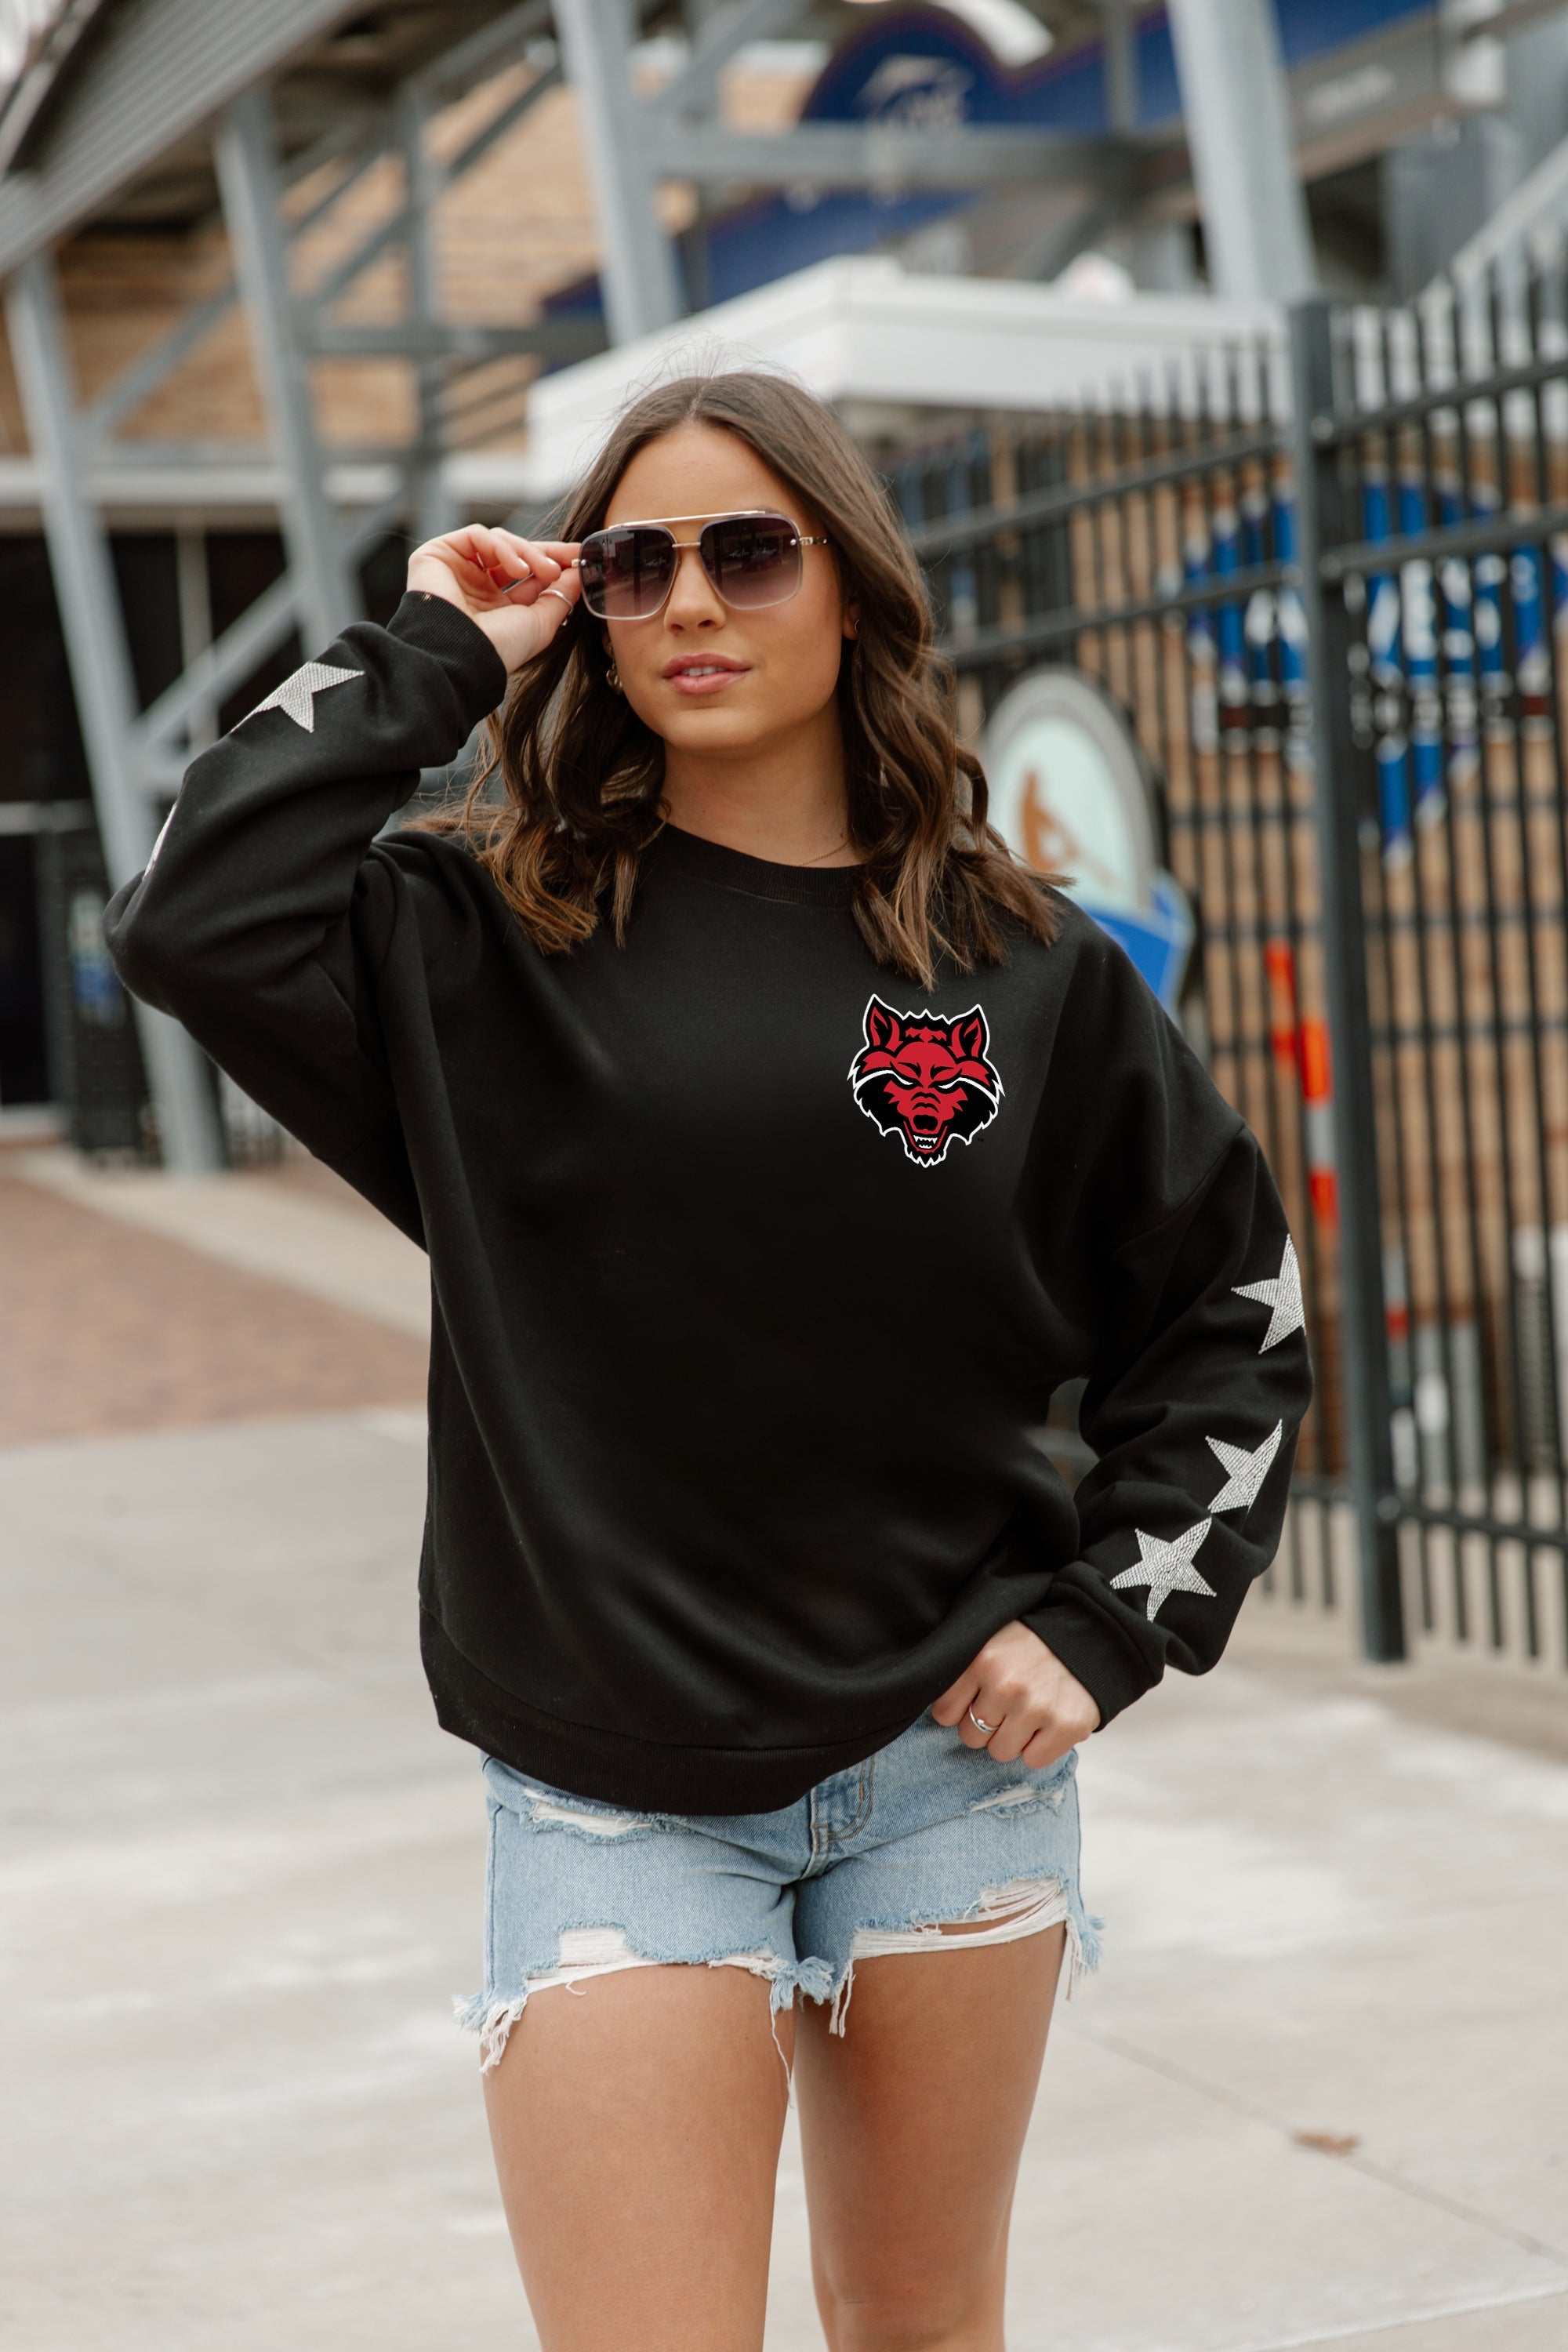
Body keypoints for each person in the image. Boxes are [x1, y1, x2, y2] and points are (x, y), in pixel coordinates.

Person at [106, 371, 1312, 2351]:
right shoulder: (473, 937)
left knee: (921, 2325)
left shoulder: (1029, 968)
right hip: (613, 1781)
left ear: (852, 587)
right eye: (631, 564)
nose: (687, 601)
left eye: (749, 553)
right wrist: (436, 648)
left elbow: (1231, 1316)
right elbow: (190, 914)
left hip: (950, 1769)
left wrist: (1112, 1622)